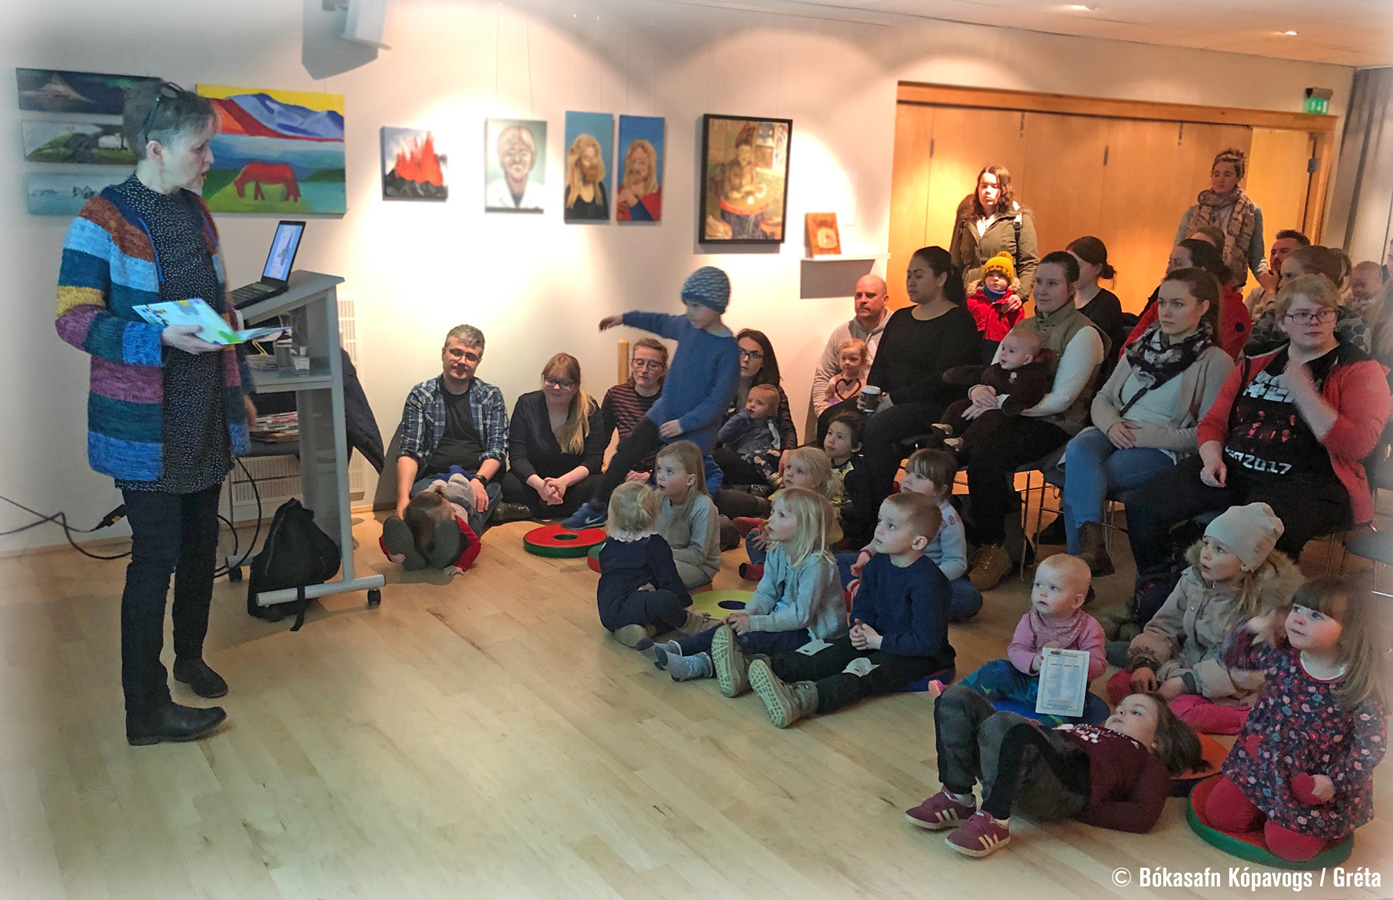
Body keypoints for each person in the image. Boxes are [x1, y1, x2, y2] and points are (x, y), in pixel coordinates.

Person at [56, 80, 250, 744]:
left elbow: (220, 308)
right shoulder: (101, 218)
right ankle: (145, 707)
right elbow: (73, 318)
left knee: (200, 548)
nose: (209, 159)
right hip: (145, 428)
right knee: (156, 556)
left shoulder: (198, 213)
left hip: (203, 412)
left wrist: (240, 373)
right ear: (155, 148)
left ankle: (190, 656)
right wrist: (156, 338)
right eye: (200, 147)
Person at [1124, 274, 1391, 575]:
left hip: (1308, 483)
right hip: (1235, 468)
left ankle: (1248, 603)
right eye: (1302, 314)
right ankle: (1157, 584)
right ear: (1283, 322)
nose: (1313, 321)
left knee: (1253, 532)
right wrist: (1211, 459)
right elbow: (1214, 422)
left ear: (1334, 317)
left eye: (1324, 312)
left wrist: (1306, 394)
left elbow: (1357, 446)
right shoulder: (1258, 363)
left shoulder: (1360, 370)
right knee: (1143, 504)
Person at [1059, 268, 1234, 574]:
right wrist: (1113, 425)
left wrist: (1142, 436)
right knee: (1078, 451)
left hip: (1161, 447)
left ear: (1203, 307)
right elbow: (1102, 398)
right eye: (1162, 302)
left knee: (1082, 478)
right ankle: (1089, 553)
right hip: (1114, 430)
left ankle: (1079, 570)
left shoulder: (1215, 361)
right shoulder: (1141, 346)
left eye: (1177, 304)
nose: (1166, 312)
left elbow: (1206, 434)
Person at [1208, 578, 1387, 862]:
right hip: (1262, 765)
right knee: (1219, 814)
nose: (1299, 619)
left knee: (1290, 848)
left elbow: (1370, 747)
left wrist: (1333, 781)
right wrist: (1251, 628)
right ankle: (1271, 811)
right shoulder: (1283, 657)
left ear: (1349, 631)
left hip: (1309, 784)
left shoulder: (1357, 686)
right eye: (1297, 609)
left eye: (1316, 615)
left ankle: (1311, 823)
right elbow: (1233, 657)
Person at [906, 689, 1205, 857]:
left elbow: (1143, 816)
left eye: (1136, 712)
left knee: (1007, 725)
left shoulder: (1145, 759)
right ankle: (957, 796)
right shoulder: (1090, 729)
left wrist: (1084, 807)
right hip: (1025, 757)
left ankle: (995, 819)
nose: (1121, 711)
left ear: (1158, 741)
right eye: (1121, 708)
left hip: (1064, 782)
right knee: (955, 699)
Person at [747, 492, 956, 728]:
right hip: (875, 637)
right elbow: (864, 605)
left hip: (917, 655)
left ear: (918, 542)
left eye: (891, 526)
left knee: (860, 671)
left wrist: (879, 642)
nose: (879, 530)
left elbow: (927, 642)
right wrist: (859, 625)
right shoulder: (877, 563)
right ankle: (762, 668)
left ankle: (801, 699)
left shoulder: (929, 582)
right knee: (829, 650)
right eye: (880, 521)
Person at [963, 252, 1107, 591]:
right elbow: (994, 373)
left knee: (986, 453)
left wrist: (1001, 403)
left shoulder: (1084, 333)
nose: (1042, 290)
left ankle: (995, 547)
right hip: (1010, 414)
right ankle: (980, 541)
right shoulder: (1024, 326)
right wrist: (977, 391)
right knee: (953, 445)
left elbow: (1063, 400)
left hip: (1057, 424)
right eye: (1039, 281)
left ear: (1073, 287)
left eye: (1052, 283)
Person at [564, 267, 740, 529]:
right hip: (663, 413)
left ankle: (683, 527)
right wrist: (623, 318)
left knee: (675, 481)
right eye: (687, 305)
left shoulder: (728, 349)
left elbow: (718, 402)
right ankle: (598, 507)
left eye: (696, 306)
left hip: (694, 430)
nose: (689, 311)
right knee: (626, 451)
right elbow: (659, 321)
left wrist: (684, 424)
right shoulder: (687, 325)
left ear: (717, 307)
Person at [1110, 503, 1300, 735]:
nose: (1205, 553)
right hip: (1185, 665)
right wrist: (1145, 663)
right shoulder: (1194, 578)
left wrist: (1187, 682)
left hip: (1228, 688)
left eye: (1219, 549)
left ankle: (1247, 716)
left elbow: (1248, 672)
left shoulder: (1267, 606)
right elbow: (1164, 625)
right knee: (1120, 685)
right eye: (1207, 543)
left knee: (1180, 713)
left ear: (1246, 562)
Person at [650, 487, 847, 685]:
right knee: (728, 628)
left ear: (805, 527)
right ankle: (678, 648)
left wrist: (754, 623)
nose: (771, 519)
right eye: (773, 512)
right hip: (783, 620)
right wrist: (746, 615)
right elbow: (766, 593)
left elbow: (801, 616)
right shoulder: (778, 550)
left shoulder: (817, 565)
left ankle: (697, 665)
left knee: (753, 640)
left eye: (781, 515)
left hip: (812, 634)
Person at [840, 246, 982, 507]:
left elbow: (944, 378)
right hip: (891, 399)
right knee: (834, 418)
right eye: (908, 275)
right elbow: (880, 365)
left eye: (918, 275)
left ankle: (876, 509)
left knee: (878, 428)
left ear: (941, 279)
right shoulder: (901, 316)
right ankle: (840, 499)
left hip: (934, 405)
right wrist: (871, 395)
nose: (910, 282)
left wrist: (893, 399)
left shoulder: (958, 320)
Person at [936, 555, 1104, 725]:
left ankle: (1040, 728)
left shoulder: (1089, 627)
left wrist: (1074, 665)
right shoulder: (1030, 619)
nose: (1042, 592)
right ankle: (956, 695)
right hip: (1027, 684)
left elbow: (1099, 664)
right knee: (998, 668)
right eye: (1038, 585)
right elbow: (1016, 649)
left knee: (1067, 712)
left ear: (1076, 601)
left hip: (1062, 694)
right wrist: (1033, 661)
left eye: (1053, 588)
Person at [841, 448, 981, 622]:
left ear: (939, 490)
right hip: (890, 569)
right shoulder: (897, 504)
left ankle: (871, 599)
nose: (907, 479)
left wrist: (923, 579)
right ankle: (867, 594)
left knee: (969, 598)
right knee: (835, 561)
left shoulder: (948, 519)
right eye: (908, 472)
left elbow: (957, 562)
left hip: (924, 580)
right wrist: (867, 553)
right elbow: (880, 537)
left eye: (919, 477)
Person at [397, 324, 507, 538]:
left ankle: (442, 540)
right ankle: (441, 537)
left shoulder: (490, 396)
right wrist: (402, 499)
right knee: (425, 507)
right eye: (456, 352)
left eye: (471, 356)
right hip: (432, 476)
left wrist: (479, 481)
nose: (462, 361)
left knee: (469, 509)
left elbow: (497, 449)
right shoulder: (421, 395)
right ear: (443, 353)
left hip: (477, 477)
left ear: (478, 362)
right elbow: (410, 451)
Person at [595, 482, 710, 648]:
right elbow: (671, 580)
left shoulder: (611, 542)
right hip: (636, 604)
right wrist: (688, 610)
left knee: (660, 604)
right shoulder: (654, 543)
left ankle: (635, 631)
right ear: (653, 512)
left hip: (608, 611)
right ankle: (689, 624)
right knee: (668, 601)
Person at [500, 353, 605, 519]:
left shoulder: (590, 409)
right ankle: (563, 509)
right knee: (508, 482)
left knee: (599, 484)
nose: (556, 387)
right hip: (536, 481)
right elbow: (517, 457)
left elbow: (594, 460)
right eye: (551, 381)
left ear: (576, 385)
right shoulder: (526, 404)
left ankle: (534, 511)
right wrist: (540, 486)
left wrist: (563, 482)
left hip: (572, 483)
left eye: (565, 383)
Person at [934, 323, 1052, 456]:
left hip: (1006, 414)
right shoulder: (997, 369)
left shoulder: (1033, 376)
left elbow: (1028, 395)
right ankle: (948, 426)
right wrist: (960, 377)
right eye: (1003, 348)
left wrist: (1005, 403)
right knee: (958, 406)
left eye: (1011, 351)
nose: (1004, 354)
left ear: (1027, 359)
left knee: (989, 420)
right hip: (985, 402)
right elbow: (979, 374)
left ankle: (963, 441)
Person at [1123, 239, 1251, 359]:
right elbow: (1129, 347)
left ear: (1200, 271)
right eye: (1170, 262)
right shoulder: (1164, 300)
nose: (1169, 270)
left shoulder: (1233, 310)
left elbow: (1221, 357)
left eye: (1178, 263)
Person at [1245, 245, 1371, 356]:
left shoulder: (1352, 324)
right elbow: (1249, 361)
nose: (1281, 284)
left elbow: (1355, 369)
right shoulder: (1273, 316)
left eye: (1290, 276)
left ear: (1319, 279)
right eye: (1282, 276)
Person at [735, 446, 838, 581]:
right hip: (781, 544)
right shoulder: (782, 496)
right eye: (789, 467)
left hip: (804, 550)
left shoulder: (817, 507)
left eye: (799, 471)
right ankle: (761, 566)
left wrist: (779, 538)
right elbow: (774, 518)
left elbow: (815, 539)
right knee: (754, 536)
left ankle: (776, 571)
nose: (789, 473)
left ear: (815, 481)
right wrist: (768, 531)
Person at [810, 275, 892, 430]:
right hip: (842, 416)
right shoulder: (841, 333)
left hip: (882, 414)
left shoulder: (897, 328)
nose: (863, 300)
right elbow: (823, 377)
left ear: (885, 299)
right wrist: (824, 416)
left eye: (870, 295)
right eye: (858, 295)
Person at [1175, 148, 1266, 286]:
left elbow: (1257, 256)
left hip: (1230, 284)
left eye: (1227, 174)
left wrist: (1268, 283)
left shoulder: (1251, 212)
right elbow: (1179, 250)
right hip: (1193, 283)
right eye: (1216, 174)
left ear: (1239, 177)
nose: (1220, 179)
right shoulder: (1194, 212)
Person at [951, 165, 1039, 298]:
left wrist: (1020, 295)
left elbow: (1030, 263)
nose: (988, 191)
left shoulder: (1018, 219)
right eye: (984, 186)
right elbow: (955, 260)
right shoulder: (967, 219)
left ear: (1004, 189)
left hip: (1003, 300)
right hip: (969, 297)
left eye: (994, 186)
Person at [726, 329, 798, 477]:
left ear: (764, 362)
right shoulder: (721, 388)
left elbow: (786, 426)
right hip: (733, 455)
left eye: (754, 355)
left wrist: (788, 451)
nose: (745, 359)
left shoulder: (771, 391)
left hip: (765, 456)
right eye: (740, 352)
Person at [652, 441, 721, 591]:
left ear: (690, 480)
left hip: (698, 567)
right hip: (665, 557)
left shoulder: (703, 507)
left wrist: (661, 553)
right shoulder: (657, 497)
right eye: (659, 469)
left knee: (655, 573)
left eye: (669, 471)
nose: (660, 476)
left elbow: (697, 556)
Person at [380, 474, 481, 575]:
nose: (454, 514)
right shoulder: (413, 523)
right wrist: (391, 554)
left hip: (459, 501)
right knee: (432, 492)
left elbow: (474, 543)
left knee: (459, 482)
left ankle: (453, 476)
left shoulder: (455, 519)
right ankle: (417, 557)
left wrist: (460, 565)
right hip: (437, 504)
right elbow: (385, 538)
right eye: (451, 514)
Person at [600, 338, 668, 483]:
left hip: (661, 476)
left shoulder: (671, 400)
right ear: (632, 364)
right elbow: (601, 440)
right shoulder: (616, 395)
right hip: (625, 472)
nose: (644, 370)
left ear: (663, 370)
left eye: (652, 365)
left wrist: (650, 476)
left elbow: (678, 450)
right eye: (639, 363)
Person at [714, 384, 783, 490]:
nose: (752, 405)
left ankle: (770, 483)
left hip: (756, 467)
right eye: (750, 401)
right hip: (738, 461)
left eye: (759, 403)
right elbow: (721, 436)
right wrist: (738, 417)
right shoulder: (740, 422)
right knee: (719, 455)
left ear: (770, 411)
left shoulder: (771, 429)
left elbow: (775, 448)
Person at [1066, 236, 1125, 359]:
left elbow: (1088, 347)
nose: (1071, 272)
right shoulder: (1064, 297)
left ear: (1097, 269)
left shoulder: (1108, 303)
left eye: (1077, 267)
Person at [1244, 229, 1311, 317]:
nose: (1276, 256)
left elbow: (1277, 323)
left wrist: (1270, 292)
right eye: (1273, 252)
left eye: (1284, 251)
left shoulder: (1308, 292)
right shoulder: (1258, 293)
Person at [964, 252, 1023, 343]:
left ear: (1009, 280)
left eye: (1001, 275)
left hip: (1003, 347)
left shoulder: (1012, 304)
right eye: (991, 275)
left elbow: (1019, 330)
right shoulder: (973, 301)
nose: (995, 279)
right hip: (977, 347)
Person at [485, 123, 544, 210]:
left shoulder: (543, 195)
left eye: (524, 153)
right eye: (510, 153)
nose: (517, 159)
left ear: (532, 158)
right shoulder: (488, 194)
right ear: (501, 157)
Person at [563, 133, 608, 220]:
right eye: (587, 158)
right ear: (578, 162)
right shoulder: (569, 192)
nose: (593, 163)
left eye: (594, 157)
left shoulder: (600, 188)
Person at [615, 138, 660, 222]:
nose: (635, 167)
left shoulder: (658, 198)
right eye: (633, 161)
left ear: (650, 167)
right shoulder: (617, 192)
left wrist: (634, 203)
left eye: (642, 163)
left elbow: (652, 226)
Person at [822, 338, 869, 410]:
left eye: (853, 359)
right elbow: (827, 400)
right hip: (837, 414)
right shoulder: (834, 381)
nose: (847, 362)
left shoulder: (866, 380)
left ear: (863, 361)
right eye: (843, 358)